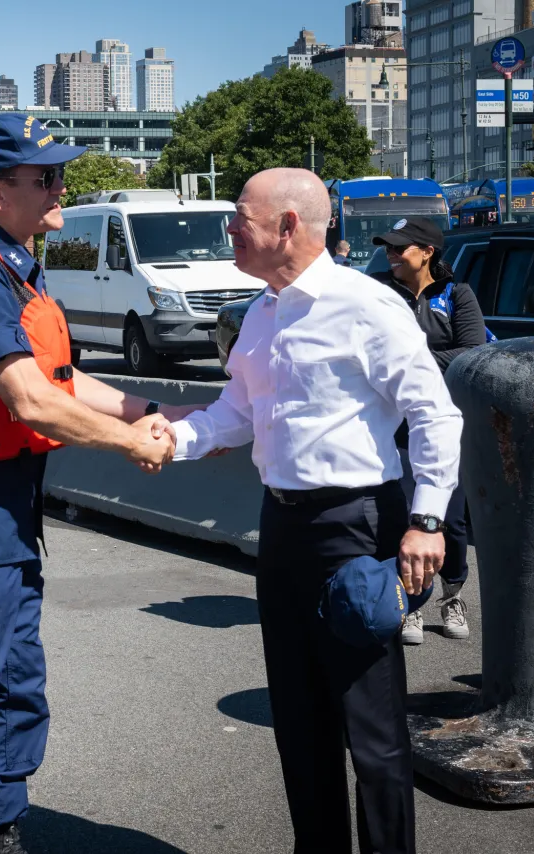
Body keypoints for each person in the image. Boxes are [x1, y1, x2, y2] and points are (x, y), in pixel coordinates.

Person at [162, 168, 462, 853]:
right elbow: (235, 412)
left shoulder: (367, 306)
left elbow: (435, 415)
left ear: (289, 225)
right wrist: (168, 440)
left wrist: (426, 521)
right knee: (299, 722)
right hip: (284, 526)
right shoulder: (262, 310)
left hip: (357, 528)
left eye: (241, 216)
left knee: (374, 733)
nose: (229, 228)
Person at [0, 113, 178, 854]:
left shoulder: (10, 264)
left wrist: (161, 410)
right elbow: (30, 400)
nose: (62, 187)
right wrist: (133, 441)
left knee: (14, 684)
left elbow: (62, 380)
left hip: (9, 515)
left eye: (60, 173)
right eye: (46, 178)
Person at [372, 216, 486, 644]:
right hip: (392, 424)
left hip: (442, 422)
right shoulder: (381, 292)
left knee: (450, 521)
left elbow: (471, 353)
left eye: (400, 248)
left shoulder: (457, 295)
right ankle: (409, 602)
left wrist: (411, 364)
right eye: (388, 248)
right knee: (402, 513)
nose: (391, 255)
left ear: (427, 252)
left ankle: (452, 593)